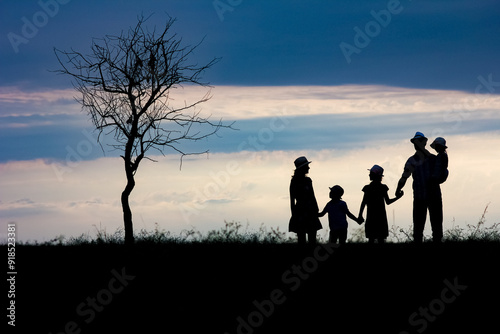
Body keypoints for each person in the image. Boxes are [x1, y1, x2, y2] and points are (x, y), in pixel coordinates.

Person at [395, 132, 443, 243]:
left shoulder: (420, 160)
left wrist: (398, 190)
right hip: (425, 196)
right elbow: (404, 177)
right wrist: (398, 189)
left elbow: (404, 177)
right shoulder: (431, 159)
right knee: (423, 226)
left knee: (430, 226)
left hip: (425, 196)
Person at [359, 165, 403, 243]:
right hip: (380, 216)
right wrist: (398, 197)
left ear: (375, 175)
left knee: (371, 238)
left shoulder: (368, 188)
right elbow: (388, 202)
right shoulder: (383, 187)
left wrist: (360, 215)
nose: (369, 175)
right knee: (381, 239)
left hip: (371, 216)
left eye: (371, 173)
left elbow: (363, 203)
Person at [289, 156, 322, 244]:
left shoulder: (307, 180)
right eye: (306, 166)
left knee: (311, 238)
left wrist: (316, 210)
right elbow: (292, 200)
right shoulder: (295, 182)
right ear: (302, 168)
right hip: (301, 211)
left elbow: (312, 196)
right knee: (302, 239)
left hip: (307, 211)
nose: (308, 167)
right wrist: (294, 215)